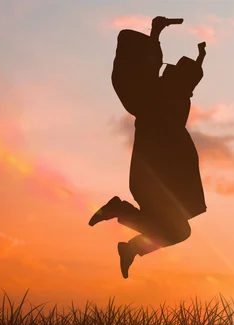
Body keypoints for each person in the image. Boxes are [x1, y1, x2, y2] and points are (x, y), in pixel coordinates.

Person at [89, 16, 208, 279]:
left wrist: (197, 55)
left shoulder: (166, 94)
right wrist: (157, 33)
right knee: (178, 230)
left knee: (179, 231)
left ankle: (129, 240)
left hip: (163, 174)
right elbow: (152, 66)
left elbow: (166, 70)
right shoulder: (160, 96)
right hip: (157, 174)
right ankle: (124, 222)